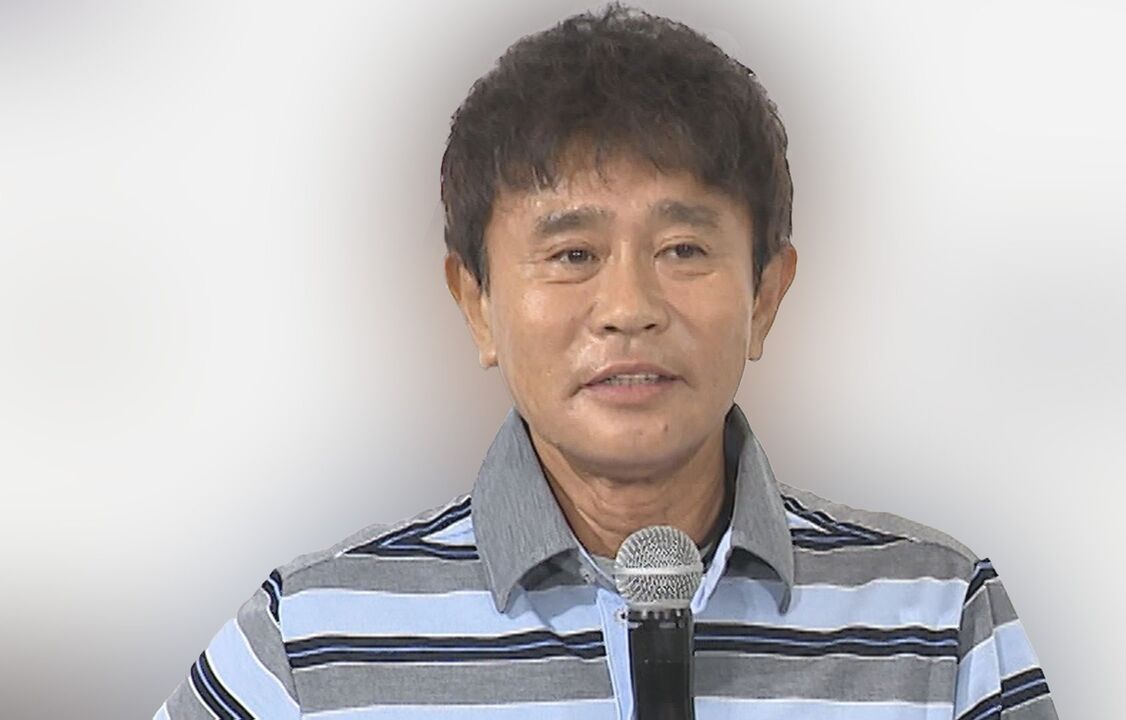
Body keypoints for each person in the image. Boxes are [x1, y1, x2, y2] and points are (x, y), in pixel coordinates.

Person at [154, 4, 1059, 718]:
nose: (629, 308)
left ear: (765, 296)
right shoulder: (310, 641)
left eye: (683, 250)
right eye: (573, 254)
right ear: (476, 305)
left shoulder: (936, 623)